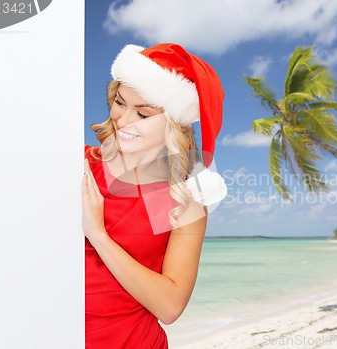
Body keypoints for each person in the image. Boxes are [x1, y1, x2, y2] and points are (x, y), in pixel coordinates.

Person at [82, 43, 227, 348]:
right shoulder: (78, 164)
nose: (123, 120)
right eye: (120, 103)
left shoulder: (184, 201)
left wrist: (98, 235)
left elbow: (170, 306)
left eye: (143, 113)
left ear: (174, 124)